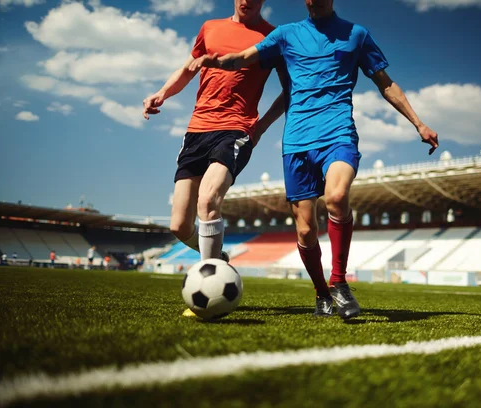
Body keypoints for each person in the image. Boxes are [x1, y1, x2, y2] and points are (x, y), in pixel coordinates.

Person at [192, 0, 439, 319]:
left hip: (338, 132)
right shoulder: (285, 34)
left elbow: (385, 83)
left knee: (337, 197)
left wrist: (418, 122)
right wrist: (220, 62)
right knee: (306, 231)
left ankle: (339, 282)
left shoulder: (357, 34)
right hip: (296, 141)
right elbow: (246, 57)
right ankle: (321, 292)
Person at [143, 0, 286, 267]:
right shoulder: (209, 28)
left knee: (208, 199)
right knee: (179, 226)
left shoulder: (273, 38)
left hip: (236, 128)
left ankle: (210, 277)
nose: (247, 1)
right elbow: (187, 70)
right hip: (197, 129)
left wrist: (259, 129)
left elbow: (289, 91)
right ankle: (217, 257)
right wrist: (162, 92)